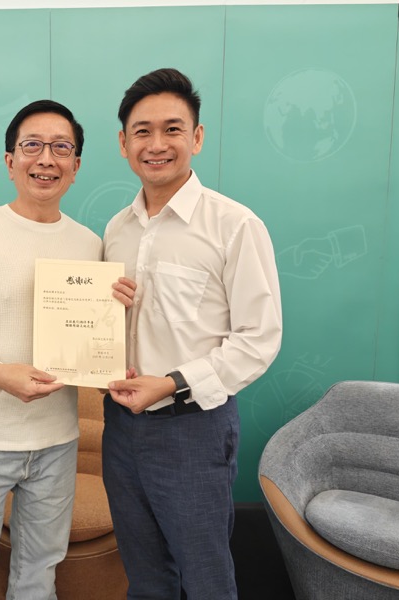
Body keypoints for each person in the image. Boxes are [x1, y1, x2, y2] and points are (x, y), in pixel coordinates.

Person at [0, 100, 131, 600]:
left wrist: (116, 320)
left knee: (38, 578)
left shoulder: (91, 245)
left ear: (76, 166)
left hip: (56, 441)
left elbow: (91, 338)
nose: (46, 159)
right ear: (10, 160)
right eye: (32, 145)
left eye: (61, 148)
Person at [102, 68, 283, 600]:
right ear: (123, 143)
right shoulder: (116, 229)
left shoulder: (235, 225)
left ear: (197, 138)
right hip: (121, 429)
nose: (156, 144)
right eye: (142, 131)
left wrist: (173, 383)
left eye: (172, 129)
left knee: (206, 579)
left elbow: (258, 338)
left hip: (193, 428)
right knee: (145, 577)